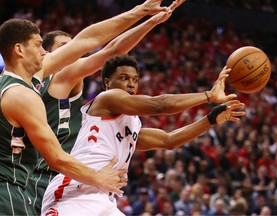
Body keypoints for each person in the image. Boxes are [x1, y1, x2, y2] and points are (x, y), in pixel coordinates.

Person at [0, 1, 170, 215]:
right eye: (39, 46)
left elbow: (91, 41)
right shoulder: (46, 84)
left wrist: (143, 13)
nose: (44, 52)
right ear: (20, 50)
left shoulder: (32, 78)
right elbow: (55, 156)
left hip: (66, 177)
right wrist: (100, 178)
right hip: (43, 179)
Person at [41, 54, 245, 216]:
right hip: (76, 191)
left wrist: (210, 119)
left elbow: (168, 140)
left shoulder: (131, 123)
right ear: (107, 82)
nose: (131, 84)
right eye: (124, 78)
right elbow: (159, 105)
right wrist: (208, 96)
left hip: (105, 198)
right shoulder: (106, 99)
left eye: (135, 80)